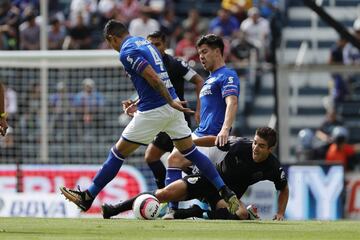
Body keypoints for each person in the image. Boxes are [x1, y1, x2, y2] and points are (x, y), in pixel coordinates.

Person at [60, 19, 240, 214]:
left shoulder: (126, 52)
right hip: (172, 108)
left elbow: (153, 78)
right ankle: (224, 190)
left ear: (111, 38)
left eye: (110, 44)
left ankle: (88, 197)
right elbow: (158, 76)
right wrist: (153, 101)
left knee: (118, 153)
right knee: (190, 153)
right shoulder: (144, 43)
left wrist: (168, 101)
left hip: (156, 109)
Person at [102, 127, 289, 221]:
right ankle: (114, 209)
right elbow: (215, 141)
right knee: (163, 194)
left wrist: (280, 212)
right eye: (255, 142)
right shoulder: (241, 145)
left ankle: (198, 213)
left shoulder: (272, 167)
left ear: (271, 149)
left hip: (228, 196)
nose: (255, 148)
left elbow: (284, 188)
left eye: (261, 146)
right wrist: (191, 144)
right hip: (209, 181)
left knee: (240, 215)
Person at [162, 33, 240, 217]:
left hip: (213, 137)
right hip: (200, 132)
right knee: (209, 193)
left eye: (205, 52)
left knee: (174, 159)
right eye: (199, 53)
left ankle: (171, 210)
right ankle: (230, 205)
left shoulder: (227, 75)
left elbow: (232, 102)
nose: (201, 57)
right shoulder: (209, 79)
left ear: (218, 51)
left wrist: (225, 129)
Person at [142, 30, 203, 189]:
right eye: (151, 45)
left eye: (157, 45)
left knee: (182, 162)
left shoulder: (176, 64)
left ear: (165, 45)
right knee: (154, 158)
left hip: (177, 119)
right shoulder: (148, 67)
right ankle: (164, 193)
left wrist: (198, 110)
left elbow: (199, 81)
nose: (154, 48)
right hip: (161, 119)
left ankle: (209, 192)